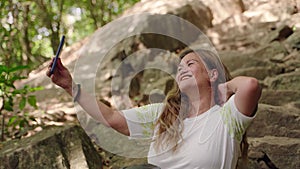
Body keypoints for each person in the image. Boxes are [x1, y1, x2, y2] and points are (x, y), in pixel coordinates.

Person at [46, 47, 261, 169]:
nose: (182, 70)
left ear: (212, 74)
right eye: (179, 68)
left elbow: (251, 86)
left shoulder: (227, 117)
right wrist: (70, 86)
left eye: (191, 64)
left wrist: (226, 86)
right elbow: (112, 118)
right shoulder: (163, 114)